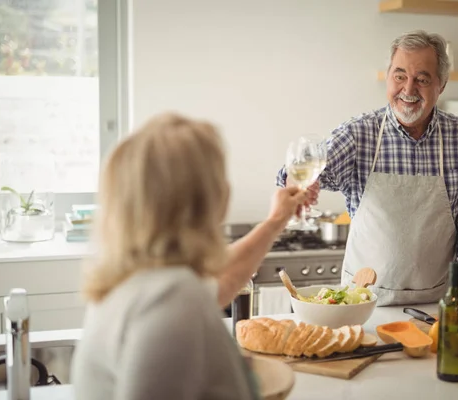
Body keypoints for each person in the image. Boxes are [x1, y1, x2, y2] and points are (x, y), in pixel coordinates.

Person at [71, 113, 307, 400]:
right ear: (206, 202)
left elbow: (222, 281)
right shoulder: (171, 302)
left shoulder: (138, 283)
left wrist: (275, 222)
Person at [276, 30, 458, 320]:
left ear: (441, 85)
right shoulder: (359, 133)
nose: (409, 88)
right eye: (400, 75)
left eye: (422, 78)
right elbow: (301, 171)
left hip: (436, 307)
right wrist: (302, 184)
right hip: (362, 304)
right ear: (388, 77)